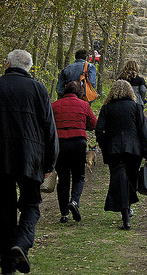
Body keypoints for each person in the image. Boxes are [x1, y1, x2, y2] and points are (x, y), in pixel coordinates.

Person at [0, 49, 58, 274]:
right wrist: (49, 164)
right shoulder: (38, 89)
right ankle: (21, 242)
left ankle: (7, 267)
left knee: (3, 212)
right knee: (31, 204)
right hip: (31, 158)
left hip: (0, 157)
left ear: (8, 64)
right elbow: (49, 129)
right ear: (29, 67)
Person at [95, 80, 147, 231]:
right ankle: (127, 210)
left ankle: (125, 215)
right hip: (133, 150)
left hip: (114, 150)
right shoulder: (136, 107)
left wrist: (105, 145)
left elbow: (99, 130)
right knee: (130, 180)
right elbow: (143, 131)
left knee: (119, 180)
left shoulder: (107, 108)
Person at [51, 81, 97, 224]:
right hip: (78, 142)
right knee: (79, 176)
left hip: (60, 143)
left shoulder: (54, 105)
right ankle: (74, 201)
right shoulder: (84, 105)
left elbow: (48, 125)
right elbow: (93, 124)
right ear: (80, 92)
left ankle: (64, 214)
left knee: (63, 179)